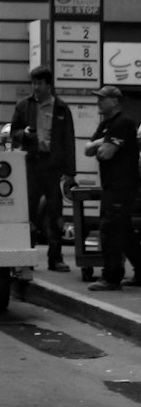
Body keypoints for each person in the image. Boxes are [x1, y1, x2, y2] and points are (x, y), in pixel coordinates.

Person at [9, 66, 76, 271]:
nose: (35, 87)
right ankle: (25, 257)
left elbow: (68, 141)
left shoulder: (62, 109)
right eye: (33, 83)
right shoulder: (24, 106)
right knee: (27, 210)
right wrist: (24, 134)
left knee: (55, 211)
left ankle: (55, 258)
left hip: (52, 165)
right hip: (31, 163)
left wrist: (71, 173)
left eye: (39, 84)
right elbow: (13, 131)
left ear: (48, 85)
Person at [85, 85, 141, 292]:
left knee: (110, 229)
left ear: (115, 101)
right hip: (112, 185)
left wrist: (101, 145)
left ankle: (111, 277)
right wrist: (102, 142)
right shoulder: (106, 124)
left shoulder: (123, 122)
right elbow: (88, 150)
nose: (98, 102)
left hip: (121, 186)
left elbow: (104, 154)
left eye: (102, 98)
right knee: (124, 231)